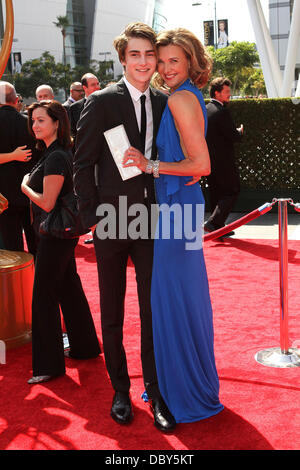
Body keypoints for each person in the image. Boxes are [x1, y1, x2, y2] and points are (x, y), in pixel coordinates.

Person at [73, 22, 175, 432]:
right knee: (112, 310)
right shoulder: (100, 102)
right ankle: (120, 390)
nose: (144, 62)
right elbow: (82, 165)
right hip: (111, 221)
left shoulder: (165, 101)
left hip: (150, 219)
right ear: (122, 58)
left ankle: (154, 391)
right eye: (135, 54)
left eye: (150, 54)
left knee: (152, 310)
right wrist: (93, 218)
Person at [123, 28, 224, 423]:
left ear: (191, 62)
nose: (164, 69)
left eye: (173, 61)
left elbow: (202, 165)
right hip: (177, 206)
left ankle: (185, 389)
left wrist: (150, 165)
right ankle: (186, 382)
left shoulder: (181, 98)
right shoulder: (184, 96)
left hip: (176, 210)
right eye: (160, 61)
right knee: (179, 298)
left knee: (175, 298)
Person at [21, 100, 101, 385]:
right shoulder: (55, 152)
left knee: (43, 296)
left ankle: (48, 366)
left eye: (41, 120)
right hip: (60, 233)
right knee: (69, 287)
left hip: (54, 234)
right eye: (33, 121)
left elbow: (47, 201)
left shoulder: (56, 156)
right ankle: (86, 346)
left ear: (57, 123)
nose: (35, 125)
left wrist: (24, 186)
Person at [0, 81, 39, 254]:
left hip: (3, 197)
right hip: (30, 193)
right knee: (36, 244)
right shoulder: (32, 124)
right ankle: (39, 280)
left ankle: (16, 281)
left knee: (12, 248)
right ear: (16, 100)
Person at [204, 77, 243, 234]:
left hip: (208, 161)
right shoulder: (222, 112)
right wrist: (240, 132)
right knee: (232, 190)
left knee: (216, 192)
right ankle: (214, 223)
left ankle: (218, 228)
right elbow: (233, 136)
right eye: (226, 92)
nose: (229, 94)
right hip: (224, 162)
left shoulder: (205, 109)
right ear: (217, 93)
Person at [68, 73, 100, 139]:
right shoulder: (74, 108)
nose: (97, 87)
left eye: (98, 84)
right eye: (93, 85)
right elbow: (73, 132)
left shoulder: (106, 102)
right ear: (85, 88)